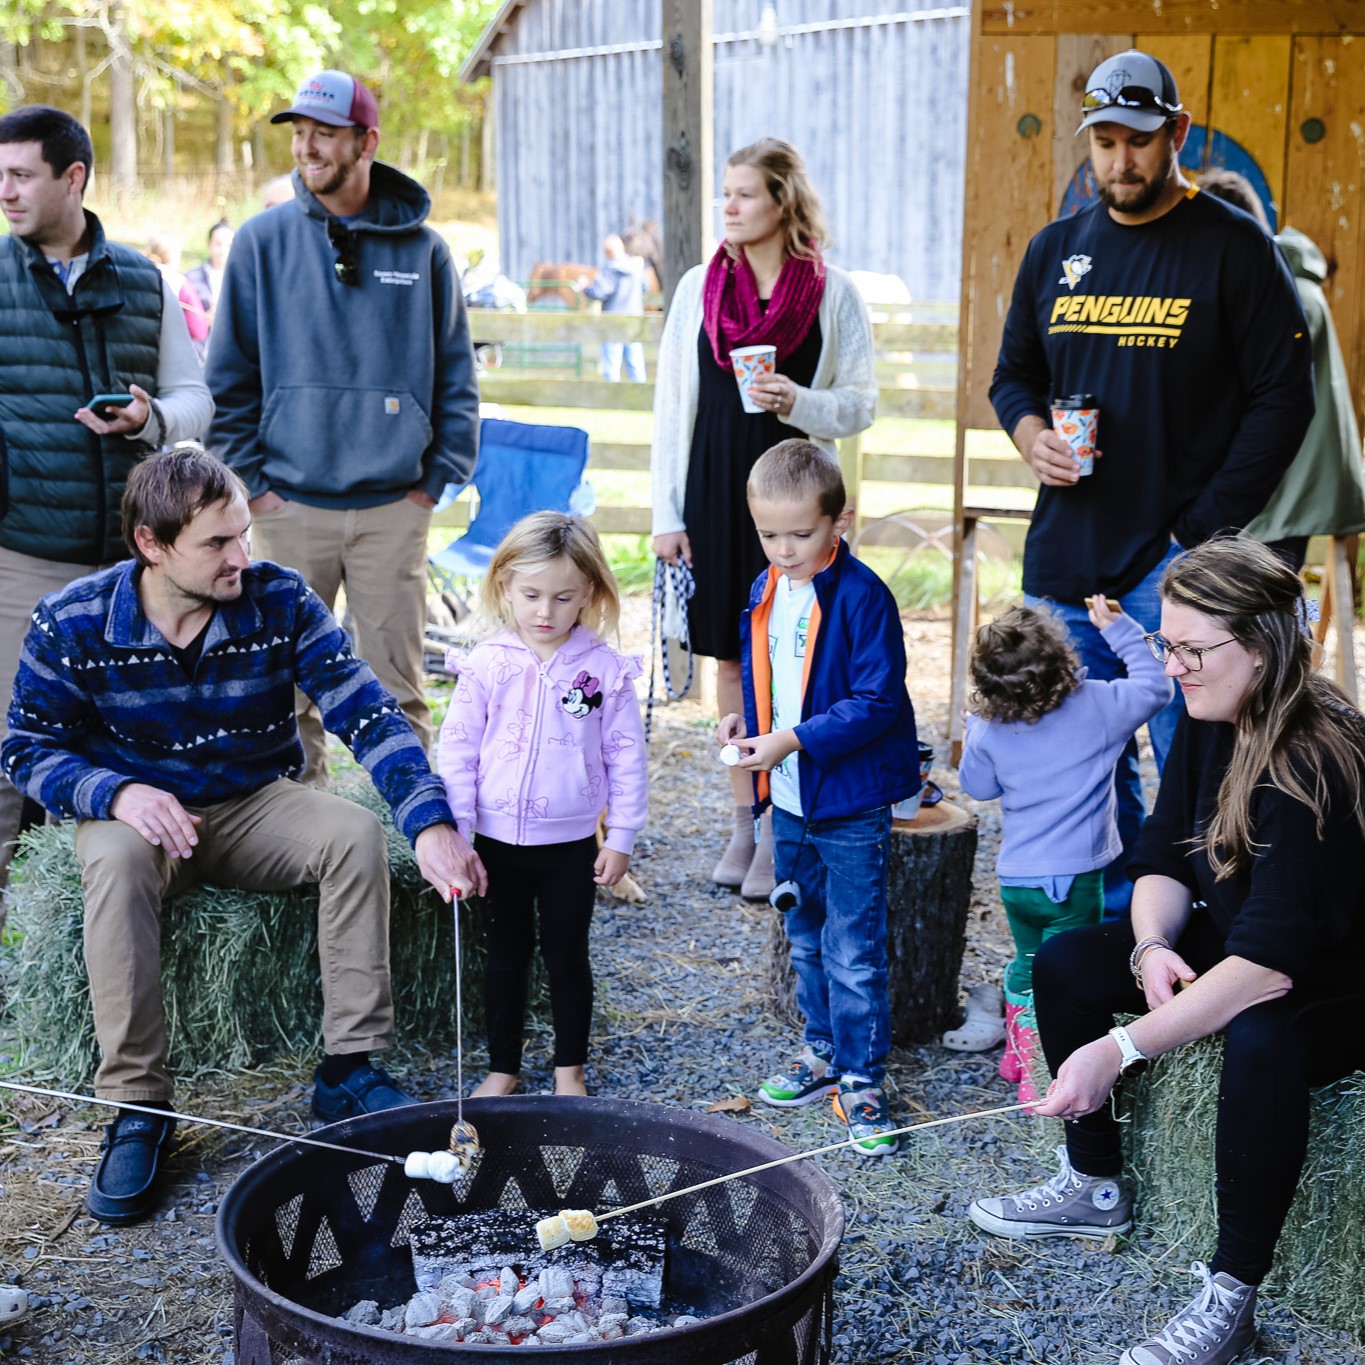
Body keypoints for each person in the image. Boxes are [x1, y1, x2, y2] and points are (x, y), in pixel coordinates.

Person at [0, 445, 484, 1225]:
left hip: (256, 801)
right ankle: (139, 1107)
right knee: (117, 864)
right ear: (151, 545)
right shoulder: (74, 619)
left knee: (354, 832)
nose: (240, 556)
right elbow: (25, 749)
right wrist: (113, 790)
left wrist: (428, 822)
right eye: (217, 543)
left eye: (241, 536)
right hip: (138, 816)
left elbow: (366, 711)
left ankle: (349, 1066)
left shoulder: (279, 599)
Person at [966, 536, 1365, 1365]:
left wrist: (1116, 1048)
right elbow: (1160, 854)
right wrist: (1150, 943)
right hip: (1249, 930)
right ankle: (1092, 1184)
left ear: (1259, 645)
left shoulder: (1314, 759)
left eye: (1190, 647)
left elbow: (1267, 966)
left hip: (1333, 970)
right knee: (1068, 960)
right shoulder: (1213, 712)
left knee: (1262, 1038)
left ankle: (1231, 1292)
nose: (1172, 664)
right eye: (1164, 642)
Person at [990, 49, 1314, 916]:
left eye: (1136, 140)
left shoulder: (1231, 248)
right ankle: (1105, 930)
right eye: (1103, 140)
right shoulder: (1055, 250)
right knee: (1077, 760)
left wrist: (1202, 526)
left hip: (1173, 567)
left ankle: (1198, 931)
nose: (1119, 160)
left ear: (1173, 133)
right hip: (1064, 559)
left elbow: (1287, 398)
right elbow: (1012, 373)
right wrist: (1028, 435)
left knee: (1190, 761)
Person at [207, 69, 479, 781]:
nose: (306, 147)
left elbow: (456, 377)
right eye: (298, 133)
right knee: (283, 695)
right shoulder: (261, 242)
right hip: (289, 506)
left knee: (398, 692)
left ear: (367, 141)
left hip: (394, 506)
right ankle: (300, 860)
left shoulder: (425, 251)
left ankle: (416, 859)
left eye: (323, 133)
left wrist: (433, 482)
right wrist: (257, 490)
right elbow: (227, 379)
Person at [652, 137, 876, 903]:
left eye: (744, 194)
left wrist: (799, 402)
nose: (729, 207)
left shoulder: (832, 291)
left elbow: (862, 402)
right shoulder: (697, 288)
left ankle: (786, 827)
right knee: (729, 657)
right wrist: (665, 514)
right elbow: (671, 408)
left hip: (797, 493)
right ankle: (744, 820)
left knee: (799, 657)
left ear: (783, 200)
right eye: (725, 193)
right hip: (715, 490)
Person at [0, 105, 212, 902]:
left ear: (73, 177)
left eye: (21, 175)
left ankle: (114, 942)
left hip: (131, 570)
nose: (5, 192)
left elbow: (197, 399)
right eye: (0, 176)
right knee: (8, 756)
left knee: (133, 754)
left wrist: (150, 420)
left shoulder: (147, 280)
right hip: (20, 557)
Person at [718, 440, 919, 1156]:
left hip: (848, 799)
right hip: (792, 797)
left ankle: (862, 1078)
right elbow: (764, 668)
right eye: (769, 534)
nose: (784, 547)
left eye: (800, 533)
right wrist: (749, 720)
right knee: (803, 933)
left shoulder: (863, 597)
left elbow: (876, 699)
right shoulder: (764, 588)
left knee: (853, 948)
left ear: (841, 520)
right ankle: (822, 1050)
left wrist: (791, 739)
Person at [436, 512, 647, 1099]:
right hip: (497, 846)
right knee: (504, 959)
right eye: (530, 595)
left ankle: (568, 1073)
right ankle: (502, 1068)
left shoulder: (602, 671)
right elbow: (457, 750)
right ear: (504, 585)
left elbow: (625, 756)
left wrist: (622, 836)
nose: (545, 612)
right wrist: (459, 831)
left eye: (563, 597)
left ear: (589, 594)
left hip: (571, 847)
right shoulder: (486, 663)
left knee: (566, 957)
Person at [958, 598, 1171, 1100]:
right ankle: (1041, 1070)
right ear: (1062, 659)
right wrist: (1121, 630)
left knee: (1027, 961)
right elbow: (1156, 685)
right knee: (1061, 973)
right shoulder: (1098, 704)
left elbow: (979, 787)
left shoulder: (990, 727)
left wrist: (973, 730)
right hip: (1075, 880)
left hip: (1017, 881)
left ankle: (1017, 1052)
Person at [1197, 169, 1365, 572]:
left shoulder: (1278, 293)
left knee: (1257, 615)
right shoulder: (1292, 282)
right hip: (1294, 478)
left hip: (1282, 483)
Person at [583, 233, 647, 382]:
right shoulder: (636, 267)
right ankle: (639, 398)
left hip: (613, 322)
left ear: (607, 252)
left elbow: (598, 292)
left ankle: (613, 399)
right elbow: (646, 286)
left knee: (612, 365)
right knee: (636, 363)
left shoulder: (610, 269)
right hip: (634, 321)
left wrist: (585, 288)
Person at [179, 218, 234, 365]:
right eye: (218, 244)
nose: (223, 250)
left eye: (229, 245)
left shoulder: (243, 278)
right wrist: (203, 319)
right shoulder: (191, 277)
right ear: (209, 245)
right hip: (197, 353)